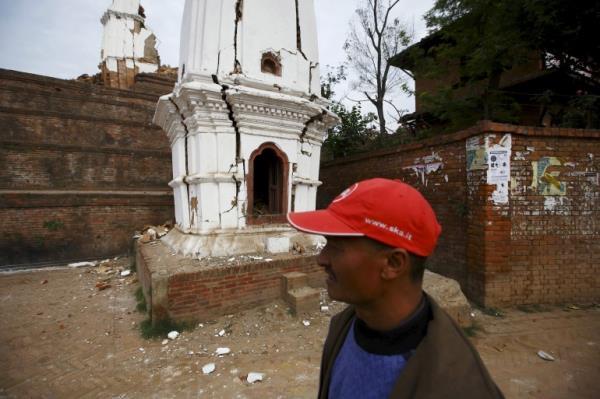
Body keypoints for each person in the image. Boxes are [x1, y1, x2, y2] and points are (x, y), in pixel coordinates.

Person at [287, 178, 504, 399]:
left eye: (336, 247)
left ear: (393, 264)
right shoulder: (343, 330)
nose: (321, 259)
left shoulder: (458, 386)